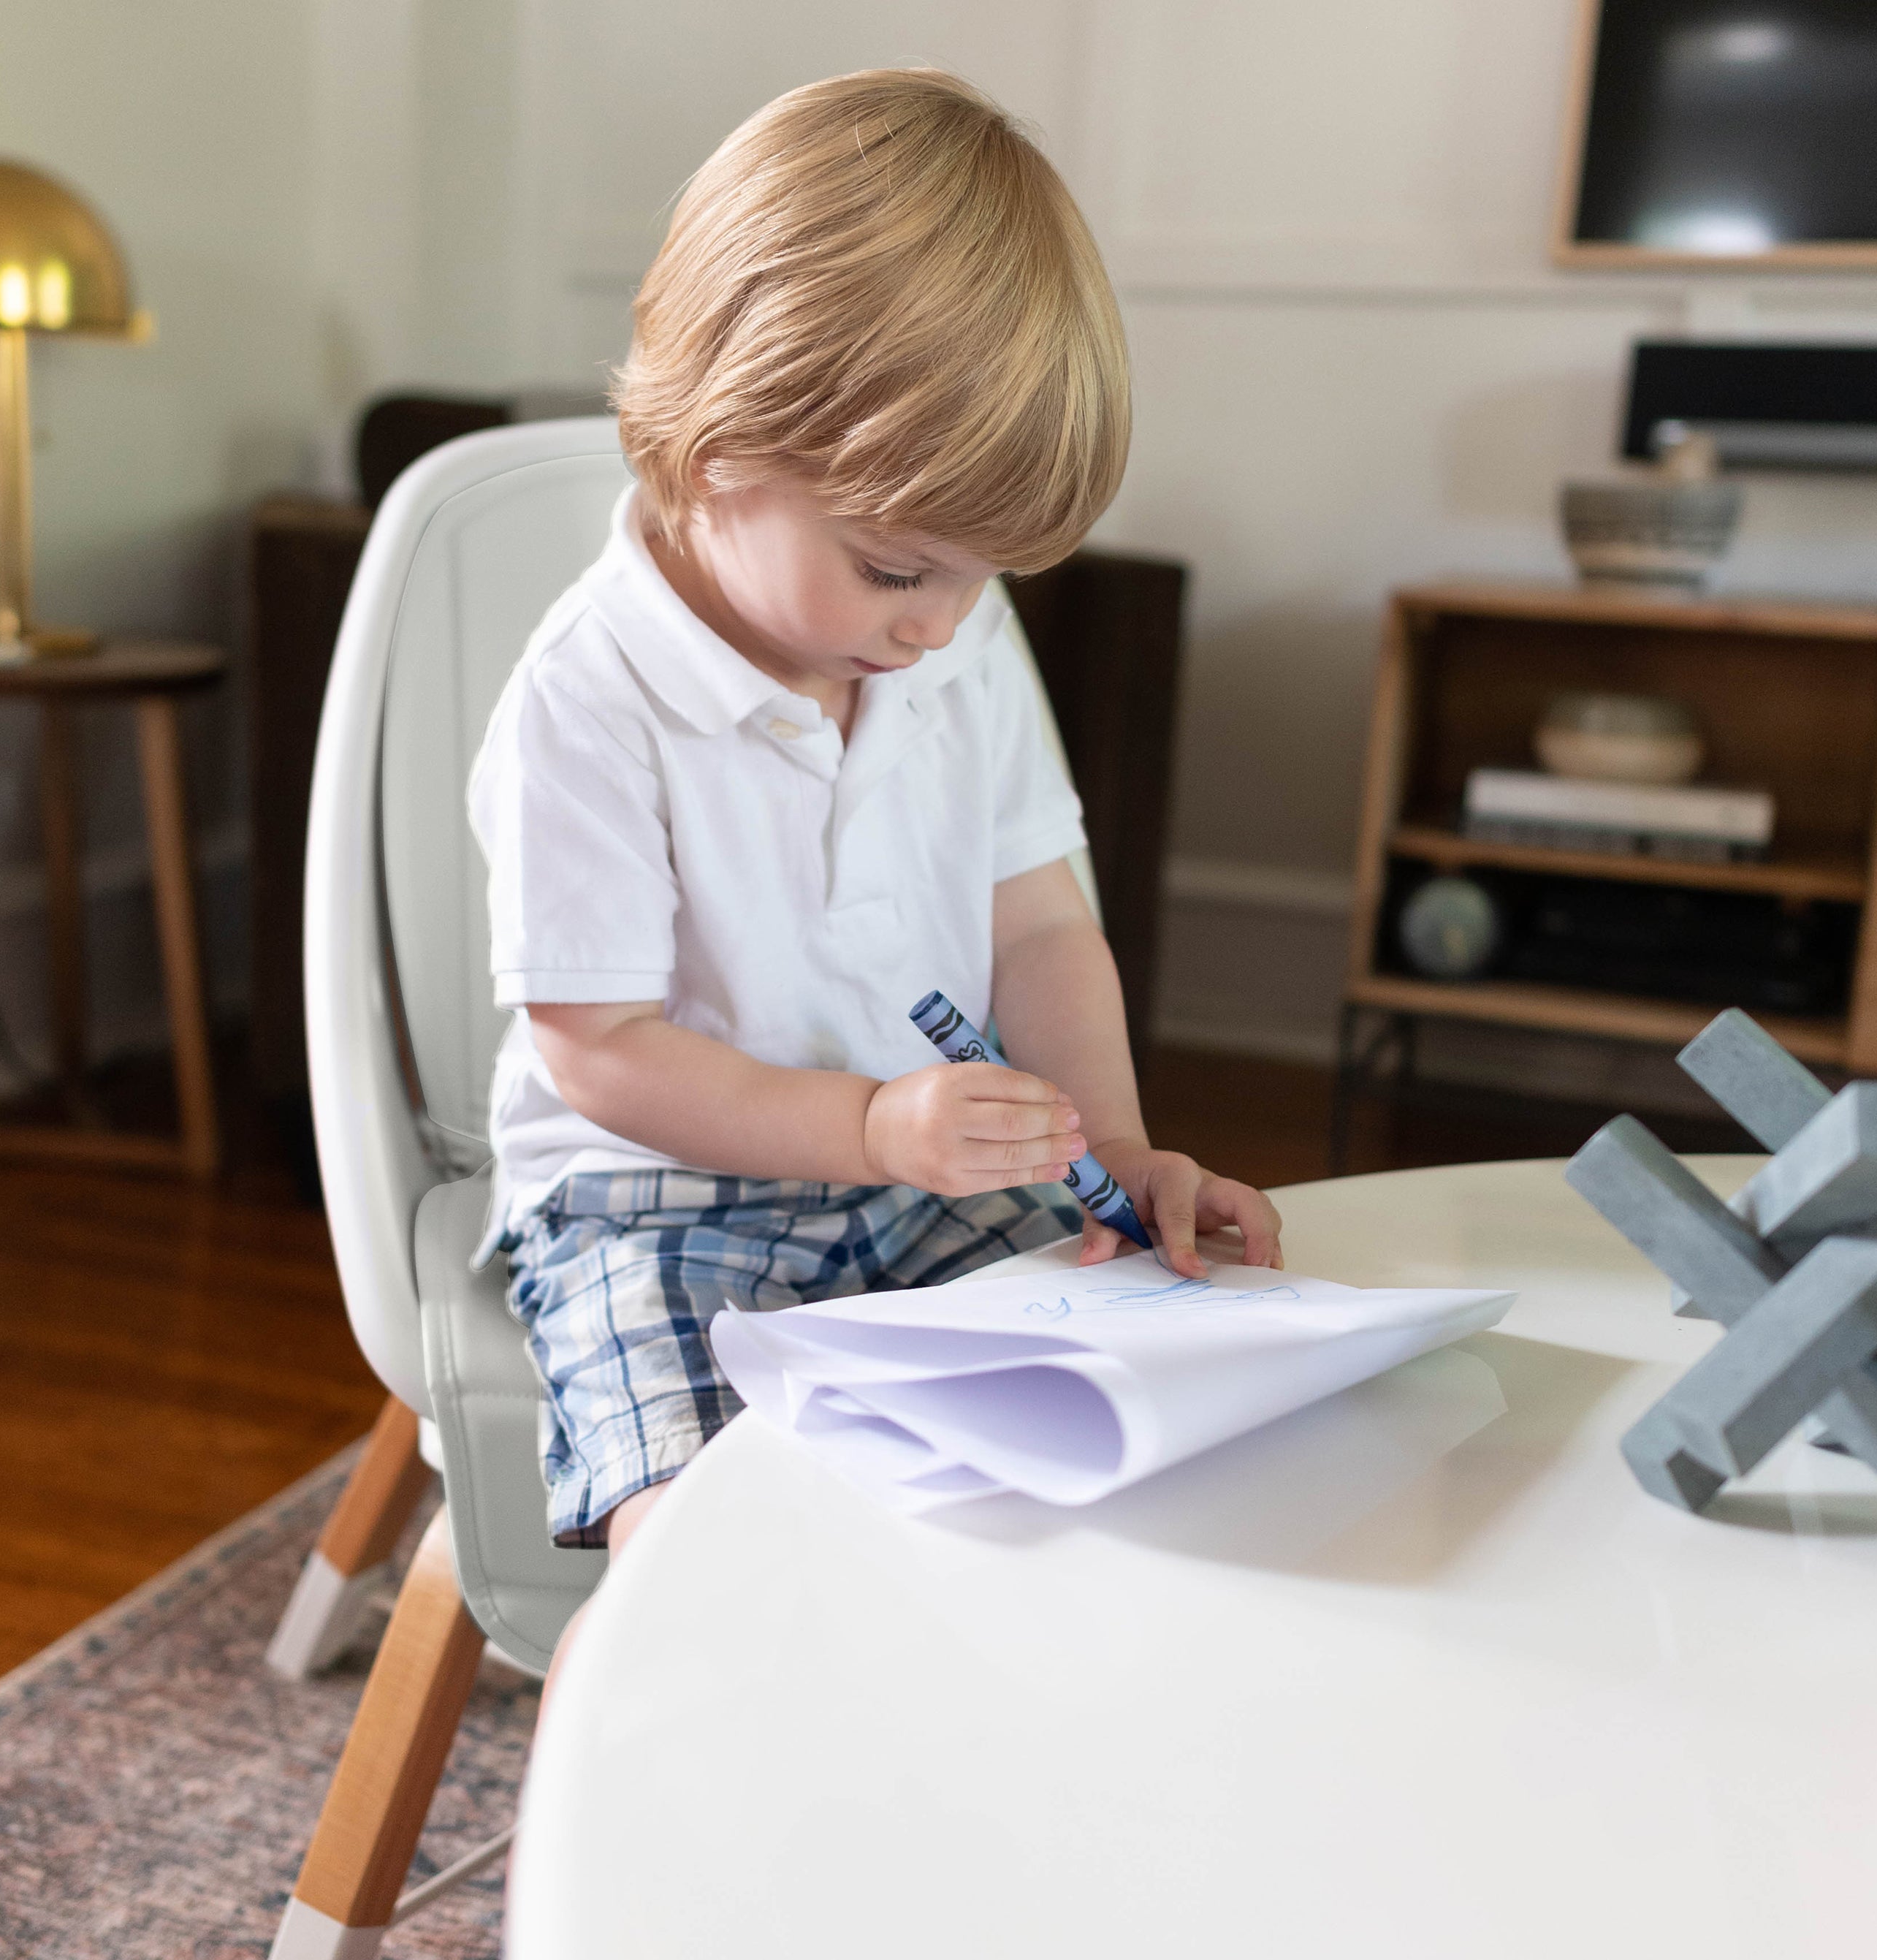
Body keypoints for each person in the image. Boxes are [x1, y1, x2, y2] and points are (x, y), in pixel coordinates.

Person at [468, 67, 1283, 1671]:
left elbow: (1042, 926)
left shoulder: (947, 648)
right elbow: (598, 1050)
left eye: (985, 578)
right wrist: (865, 1126)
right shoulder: (588, 695)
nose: (944, 625)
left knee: (1137, 1447)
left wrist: (1113, 1151)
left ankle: (994, 1788)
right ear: (717, 451)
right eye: (902, 570)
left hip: (921, 1172)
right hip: (655, 1205)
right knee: (706, 1558)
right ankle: (694, 1838)